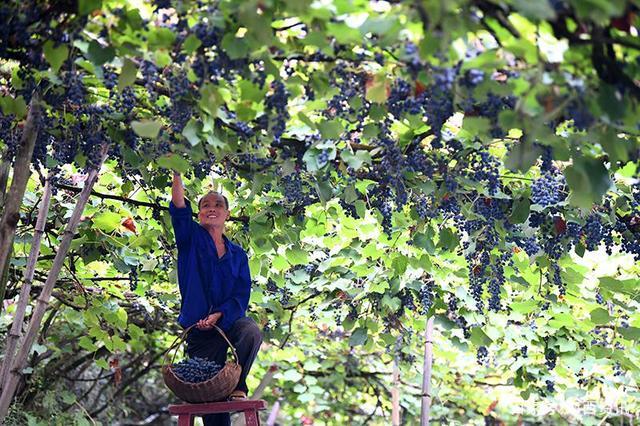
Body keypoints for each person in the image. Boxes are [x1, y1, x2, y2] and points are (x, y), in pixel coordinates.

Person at [169, 171, 262, 426]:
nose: (212, 208)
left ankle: (239, 386)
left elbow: (240, 296)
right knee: (214, 410)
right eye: (205, 205)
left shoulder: (238, 255)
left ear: (227, 214)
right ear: (198, 214)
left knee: (251, 330)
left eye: (218, 205)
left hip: (227, 327)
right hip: (199, 333)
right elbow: (178, 207)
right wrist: (176, 171)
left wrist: (219, 314)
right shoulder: (189, 239)